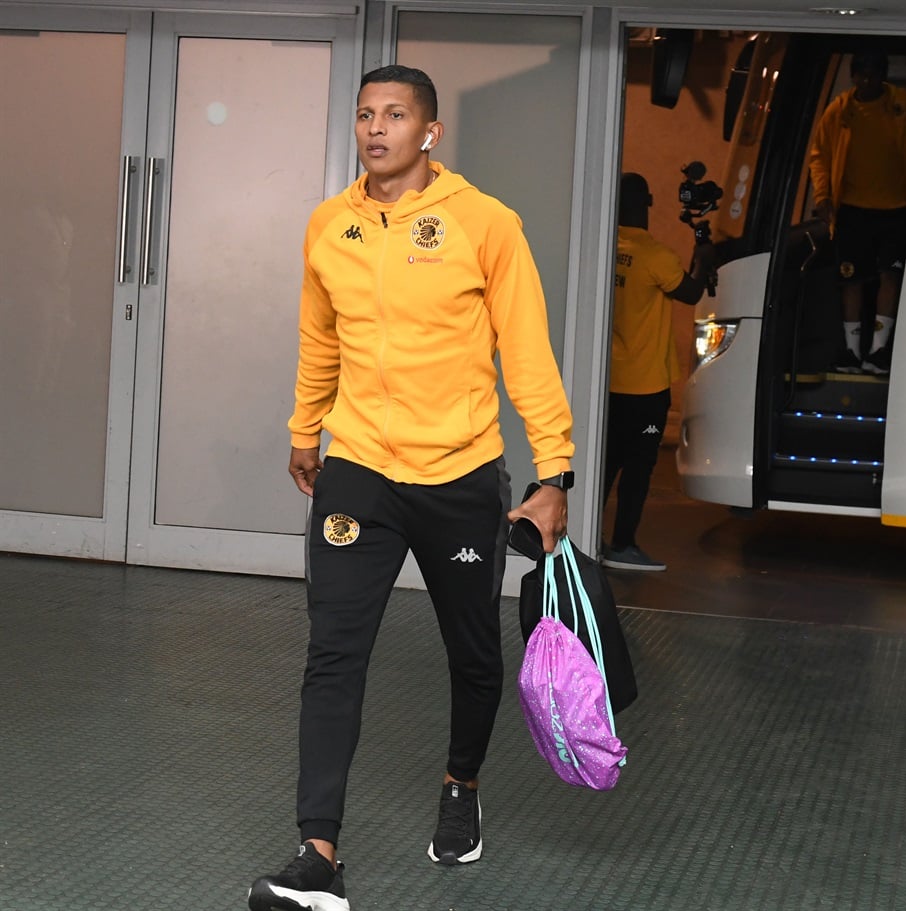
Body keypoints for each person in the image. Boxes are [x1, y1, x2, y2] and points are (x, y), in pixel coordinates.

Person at [247, 65, 575, 911]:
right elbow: (320, 334)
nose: (376, 128)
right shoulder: (330, 225)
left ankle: (461, 781)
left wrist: (554, 471)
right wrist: (304, 427)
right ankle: (318, 854)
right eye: (364, 114)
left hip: (460, 471)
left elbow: (526, 351)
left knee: (472, 650)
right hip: (359, 467)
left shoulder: (485, 224)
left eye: (395, 115)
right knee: (334, 649)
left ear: (430, 132)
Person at [601, 172, 715, 573]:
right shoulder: (655, 255)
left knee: (607, 463)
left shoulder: (604, 246)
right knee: (638, 469)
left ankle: (586, 540)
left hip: (607, 382)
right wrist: (703, 253)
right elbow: (692, 291)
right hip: (645, 387)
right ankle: (623, 545)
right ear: (647, 205)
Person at [808, 48, 906, 376]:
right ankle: (851, 352)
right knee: (851, 279)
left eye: (873, 76)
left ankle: (878, 351)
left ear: (883, 76)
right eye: (860, 76)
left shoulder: (903, 104)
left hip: (898, 208)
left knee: (889, 277)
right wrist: (823, 196)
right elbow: (819, 154)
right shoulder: (840, 110)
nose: (866, 82)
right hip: (852, 210)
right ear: (853, 77)